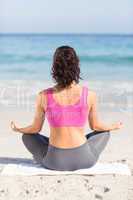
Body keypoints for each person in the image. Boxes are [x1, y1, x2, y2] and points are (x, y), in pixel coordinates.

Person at [10, 46, 123, 171]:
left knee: (27, 136)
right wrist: (113, 126)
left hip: (54, 162)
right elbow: (95, 126)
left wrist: (18, 129)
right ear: (77, 65)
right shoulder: (90, 95)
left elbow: (35, 129)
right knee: (104, 132)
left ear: (54, 67)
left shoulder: (43, 96)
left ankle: (55, 147)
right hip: (84, 160)